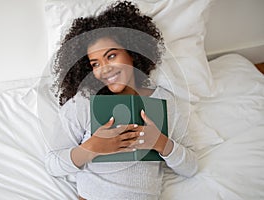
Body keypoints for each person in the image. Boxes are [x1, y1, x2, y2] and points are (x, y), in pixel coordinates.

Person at [45, 1, 197, 199]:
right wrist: (91, 148)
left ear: (132, 53)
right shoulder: (83, 103)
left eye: (112, 55)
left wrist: (160, 143)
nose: (104, 68)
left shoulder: (163, 101)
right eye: (95, 63)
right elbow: (52, 164)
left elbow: (191, 167)